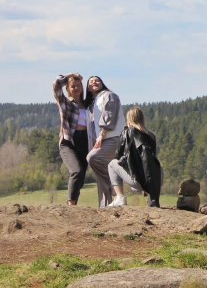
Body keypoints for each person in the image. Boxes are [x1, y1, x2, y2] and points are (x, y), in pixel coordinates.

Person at [108, 107, 162, 207]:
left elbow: (118, 156)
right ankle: (150, 198)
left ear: (129, 119)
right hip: (156, 181)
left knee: (112, 164)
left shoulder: (126, 133)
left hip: (138, 182)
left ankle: (120, 197)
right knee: (154, 165)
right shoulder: (151, 136)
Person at [85, 76, 125, 207]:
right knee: (104, 170)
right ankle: (105, 206)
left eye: (97, 80)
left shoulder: (109, 95)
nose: (94, 82)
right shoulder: (93, 103)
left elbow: (109, 115)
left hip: (113, 137)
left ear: (102, 83)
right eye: (91, 82)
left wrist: (102, 134)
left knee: (93, 158)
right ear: (88, 88)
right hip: (104, 138)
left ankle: (115, 187)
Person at [53, 73, 90, 205]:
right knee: (76, 171)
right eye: (73, 86)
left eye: (78, 85)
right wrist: (71, 75)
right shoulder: (65, 102)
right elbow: (56, 85)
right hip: (69, 141)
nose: (76, 88)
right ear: (68, 88)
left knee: (80, 177)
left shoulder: (88, 105)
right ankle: (71, 205)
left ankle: (74, 208)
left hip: (85, 141)